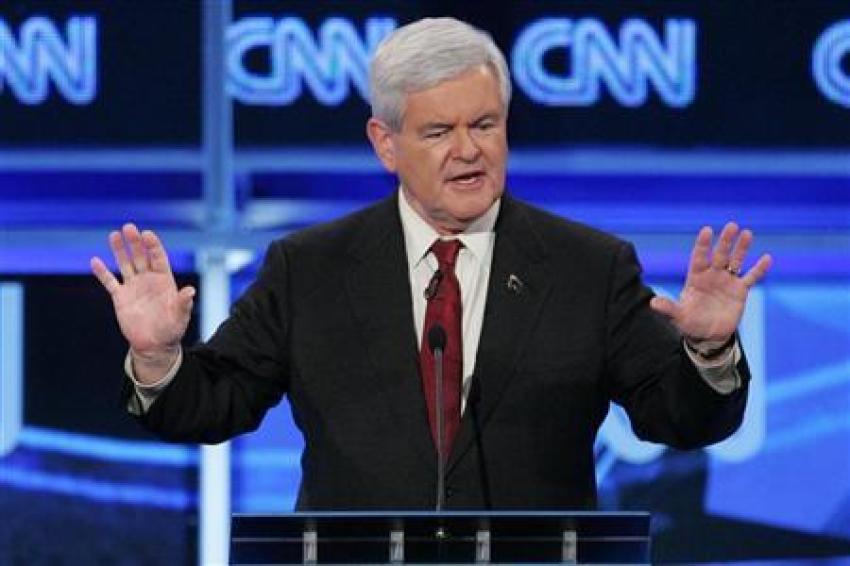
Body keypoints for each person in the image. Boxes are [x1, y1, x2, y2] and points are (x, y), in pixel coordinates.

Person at [90, 17, 771, 510]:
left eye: (485, 125)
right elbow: (213, 406)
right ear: (385, 144)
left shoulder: (587, 268)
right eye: (439, 132)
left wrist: (708, 351)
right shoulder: (310, 269)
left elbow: (681, 421)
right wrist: (159, 360)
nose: (468, 151)